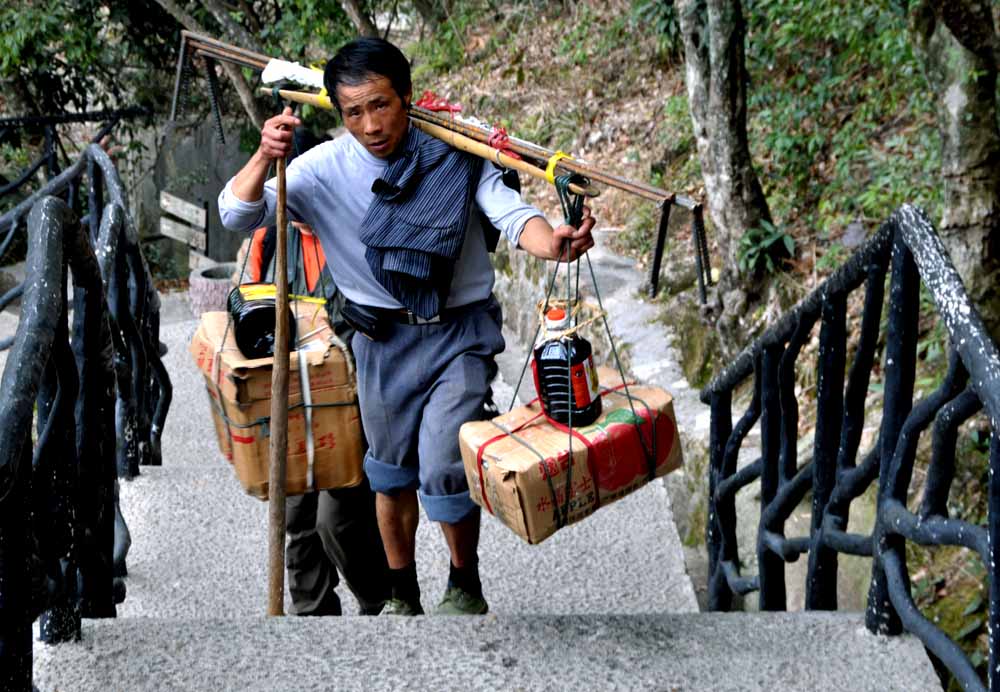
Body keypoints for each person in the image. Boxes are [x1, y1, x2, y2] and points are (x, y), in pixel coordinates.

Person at [218, 37, 595, 616]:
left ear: (407, 97)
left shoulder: (455, 150)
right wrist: (265, 156)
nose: (371, 124)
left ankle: (463, 584)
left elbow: (511, 213)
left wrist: (555, 244)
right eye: (353, 112)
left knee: (445, 461)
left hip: (458, 333)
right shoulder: (318, 171)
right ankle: (402, 592)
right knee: (389, 475)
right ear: (339, 114)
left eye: (381, 105)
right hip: (379, 341)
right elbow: (238, 213)